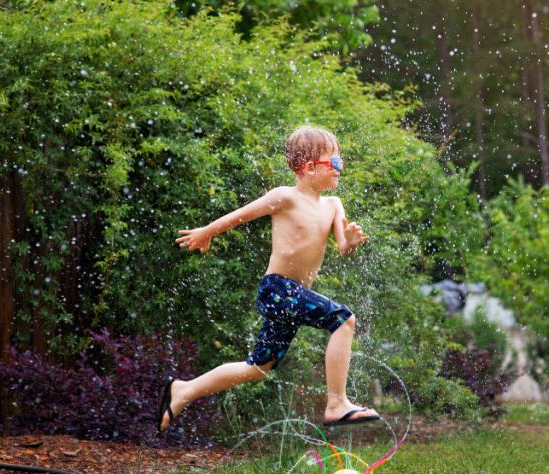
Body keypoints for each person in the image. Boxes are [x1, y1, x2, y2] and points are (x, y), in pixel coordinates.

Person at [156, 125, 381, 433]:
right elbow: (240, 215)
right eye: (336, 163)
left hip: (293, 296)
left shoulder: (333, 205)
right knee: (344, 320)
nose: (341, 169)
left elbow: (342, 248)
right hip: (276, 289)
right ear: (310, 168)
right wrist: (207, 231)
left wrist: (351, 242)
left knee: (258, 369)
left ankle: (183, 390)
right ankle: (336, 403)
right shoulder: (284, 197)